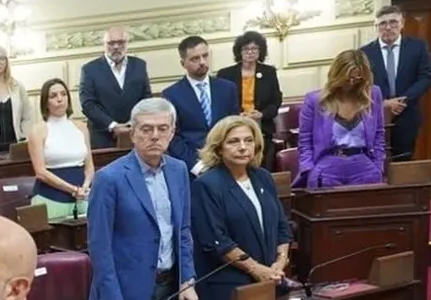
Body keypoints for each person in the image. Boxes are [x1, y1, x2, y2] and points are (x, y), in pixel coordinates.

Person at [87, 97, 198, 300]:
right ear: (133, 133)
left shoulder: (179, 170)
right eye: (147, 129)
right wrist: (111, 299)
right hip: (127, 296)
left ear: (172, 132)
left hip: (172, 291)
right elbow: (99, 244)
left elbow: (183, 232)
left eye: (162, 128)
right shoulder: (108, 178)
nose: (155, 135)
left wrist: (188, 280)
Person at [191, 116, 292, 300]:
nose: (243, 147)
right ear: (219, 148)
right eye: (233, 142)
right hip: (231, 286)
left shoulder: (262, 177)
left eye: (248, 140)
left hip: (271, 280)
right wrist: (256, 269)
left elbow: (282, 227)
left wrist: (279, 264)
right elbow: (216, 241)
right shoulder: (207, 185)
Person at [296, 50, 387, 190]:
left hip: (365, 167)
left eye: (357, 79)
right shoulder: (315, 100)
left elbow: (379, 133)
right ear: (336, 74)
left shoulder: (373, 94)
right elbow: (305, 140)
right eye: (347, 78)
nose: (351, 83)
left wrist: (378, 165)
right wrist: (308, 170)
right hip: (327, 168)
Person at [361, 4, 431, 160]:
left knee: (403, 160)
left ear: (402, 24)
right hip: (375, 114)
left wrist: (401, 101)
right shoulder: (364, 53)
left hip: (406, 113)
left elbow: (426, 77)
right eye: (382, 23)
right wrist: (384, 103)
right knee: (375, 159)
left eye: (393, 22)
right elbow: (360, 84)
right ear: (376, 26)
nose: (388, 27)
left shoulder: (417, 47)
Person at [161, 35, 239, 171]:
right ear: (183, 63)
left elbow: (236, 125)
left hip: (229, 161)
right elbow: (172, 136)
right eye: (195, 59)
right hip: (194, 166)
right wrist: (196, 165)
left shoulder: (227, 88)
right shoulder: (171, 94)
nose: (202, 62)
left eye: (205, 56)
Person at [27, 77, 94, 221]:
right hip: (50, 199)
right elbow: (40, 172)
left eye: (63, 94)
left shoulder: (81, 127)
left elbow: (89, 166)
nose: (60, 99)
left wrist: (85, 187)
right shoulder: (38, 130)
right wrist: (73, 189)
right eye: (53, 96)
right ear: (46, 102)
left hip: (82, 197)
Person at [214, 31, 283, 165]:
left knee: (262, 165)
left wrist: (261, 114)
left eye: (254, 48)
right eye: (246, 49)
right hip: (233, 126)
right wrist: (237, 116)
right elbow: (220, 103)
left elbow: (276, 100)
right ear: (239, 51)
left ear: (260, 51)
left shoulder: (269, 72)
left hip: (262, 128)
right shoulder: (225, 74)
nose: (250, 52)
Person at [78, 26, 153, 149]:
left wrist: (131, 124)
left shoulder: (140, 65)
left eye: (121, 42)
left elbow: (146, 99)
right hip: (102, 138)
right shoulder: (89, 69)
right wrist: (112, 125)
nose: (116, 47)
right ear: (104, 44)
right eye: (111, 43)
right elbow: (87, 104)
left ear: (127, 43)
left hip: (136, 135)